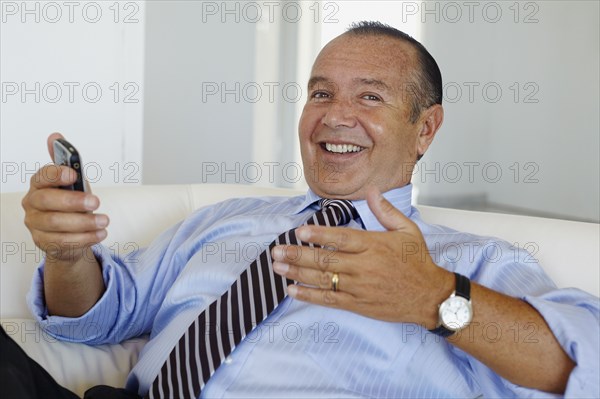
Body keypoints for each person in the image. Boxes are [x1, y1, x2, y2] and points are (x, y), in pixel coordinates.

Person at [9, 21, 599, 398]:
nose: (335, 116)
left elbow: (585, 365)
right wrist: (67, 255)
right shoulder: (226, 220)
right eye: (321, 93)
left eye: (370, 96)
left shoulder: (469, 262)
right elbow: (94, 317)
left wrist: (435, 299)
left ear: (425, 129)